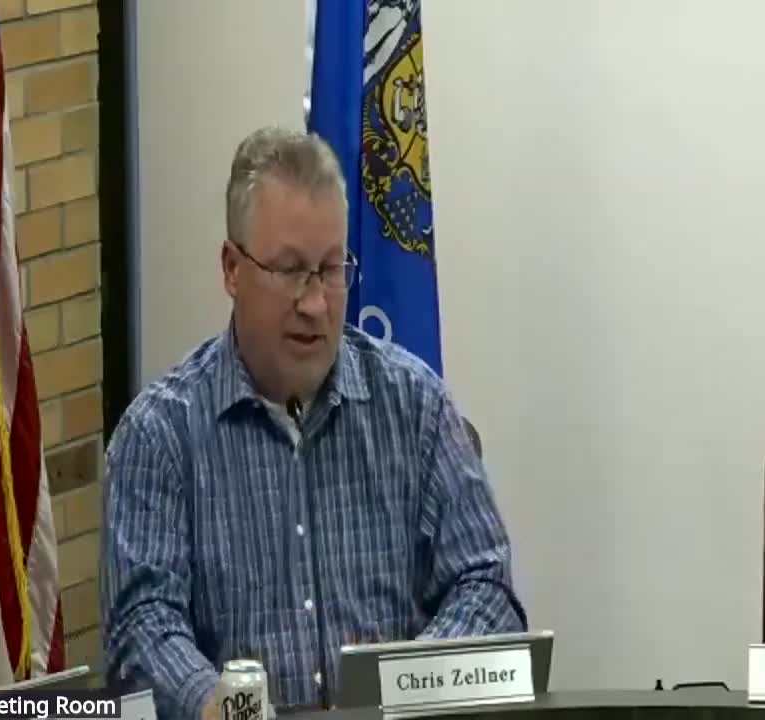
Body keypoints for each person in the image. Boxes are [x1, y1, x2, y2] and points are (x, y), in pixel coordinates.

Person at [100, 127, 526, 720]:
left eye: (330, 269)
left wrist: (405, 689)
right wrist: (222, 706)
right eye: (290, 271)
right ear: (232, 269)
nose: (316, 304)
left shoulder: (414, 406)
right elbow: (141, 627)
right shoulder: (160, 435)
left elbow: (485, 585)